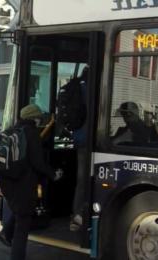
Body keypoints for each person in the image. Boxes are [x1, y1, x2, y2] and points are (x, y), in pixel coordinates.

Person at [0, 104, 62, 260]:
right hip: (23, 184)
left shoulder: (10, 132)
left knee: (18, 210)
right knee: (22, 227)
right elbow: (38, 162)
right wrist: (54, 174)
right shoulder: (32, 133)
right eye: (39, 117)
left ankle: (5, 233)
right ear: (35, 118)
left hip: (6, 182)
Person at [69, 67, 89, 231]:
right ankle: (78, 215)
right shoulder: (88, 88)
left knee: (81, 180)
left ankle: (77, 214)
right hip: (87, 138)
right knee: (84, 179)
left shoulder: (76, 86)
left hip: (78, 136)